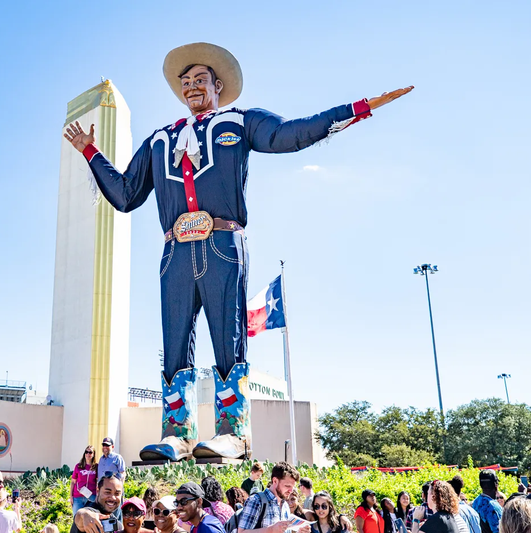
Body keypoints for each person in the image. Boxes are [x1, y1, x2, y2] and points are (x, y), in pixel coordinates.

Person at [64, 42, 412, 461]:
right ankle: (178, 433)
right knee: (174, 343)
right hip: (175, 250)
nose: (192, 88)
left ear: (219, 85)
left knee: (227, 337)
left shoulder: (240, 122)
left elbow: (291, 134)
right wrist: (90, 151)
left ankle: (233, 432)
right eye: (185, 82)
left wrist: (354, 109)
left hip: (222, 243)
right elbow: (123, 194)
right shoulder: (160, 140)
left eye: (200, 80)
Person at [237, 462, 310, 533]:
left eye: (292, 487)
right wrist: (270, 530)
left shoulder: (285, 505)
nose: (291, 491)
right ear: (275, 481)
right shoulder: (256, 501)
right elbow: (241, 532)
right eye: (287, 486)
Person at [72, 446, 99, 514]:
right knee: (77, 519)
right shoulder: (78, 466)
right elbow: (73, 482)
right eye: (86, 452)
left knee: (90, 520)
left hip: (91, 496)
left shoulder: (96, 467)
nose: (88, 454)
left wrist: (98, 496)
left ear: (93, 454)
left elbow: (98, 482)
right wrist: (71, 496)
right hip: (78, 497)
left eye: (90, 452)